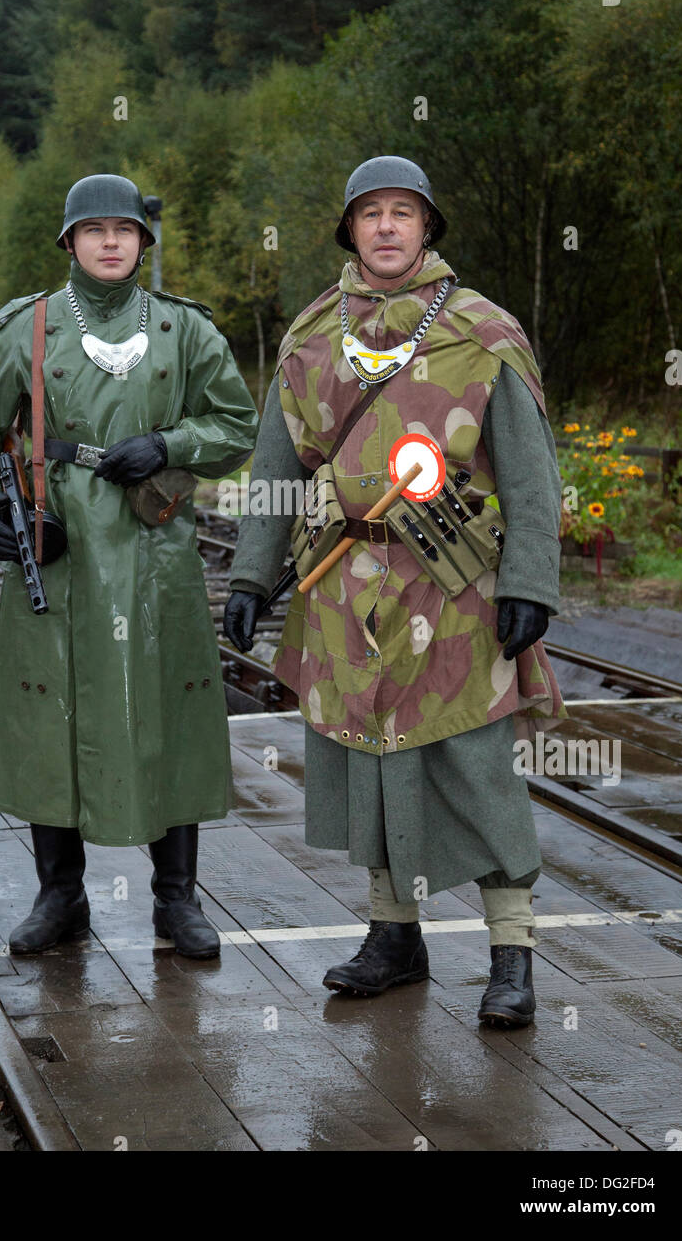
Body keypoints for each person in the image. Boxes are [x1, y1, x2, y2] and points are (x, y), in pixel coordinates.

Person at [224, 156, 566, 1025]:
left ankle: (512, 952)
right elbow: (275, 466)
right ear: (349, 230)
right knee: (365, 761)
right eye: (370, 213)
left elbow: (529, 474)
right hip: (343, 592)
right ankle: (393, 935)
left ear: (426, 228)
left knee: (475, 766)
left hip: (455, 591)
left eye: (402, 213)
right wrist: (254, 574)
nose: (385, 227)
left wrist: (529, 581)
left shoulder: (483, 332)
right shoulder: (310, 337)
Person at [0, 173, 259, 959]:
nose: (111, 242)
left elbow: (237, 425)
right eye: (94, 230)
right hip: (63, 548)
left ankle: (176, 900)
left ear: (142, 242)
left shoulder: (185, 331)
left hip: (157, 548)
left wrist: (173, 445)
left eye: (124, 230)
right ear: (71, 242)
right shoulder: (28, 328)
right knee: (51, 712)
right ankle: (61, 896)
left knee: (172, 706)